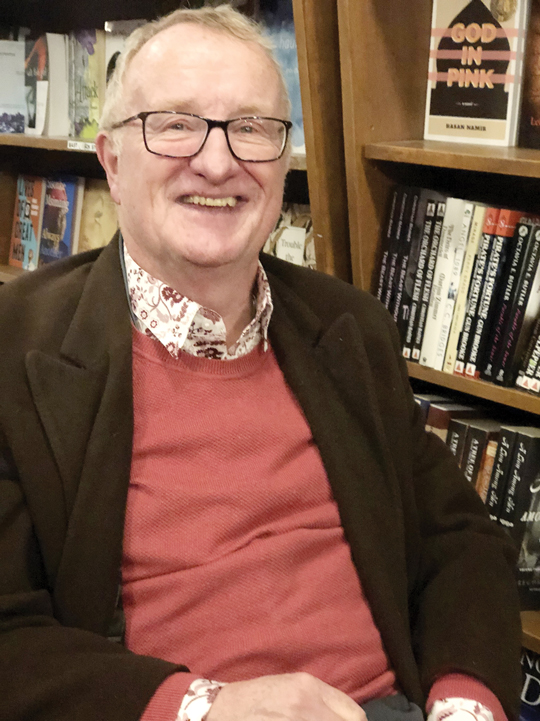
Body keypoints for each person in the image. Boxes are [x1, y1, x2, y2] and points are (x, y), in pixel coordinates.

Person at [0, 5, 522, 721]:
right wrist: (203, 706)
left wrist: (466, 699)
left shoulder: (349, 328)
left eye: (250, 128)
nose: (218, 162)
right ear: (113, 163)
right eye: (176, 123)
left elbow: (456, 538)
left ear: (281, 163)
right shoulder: (12, 352)